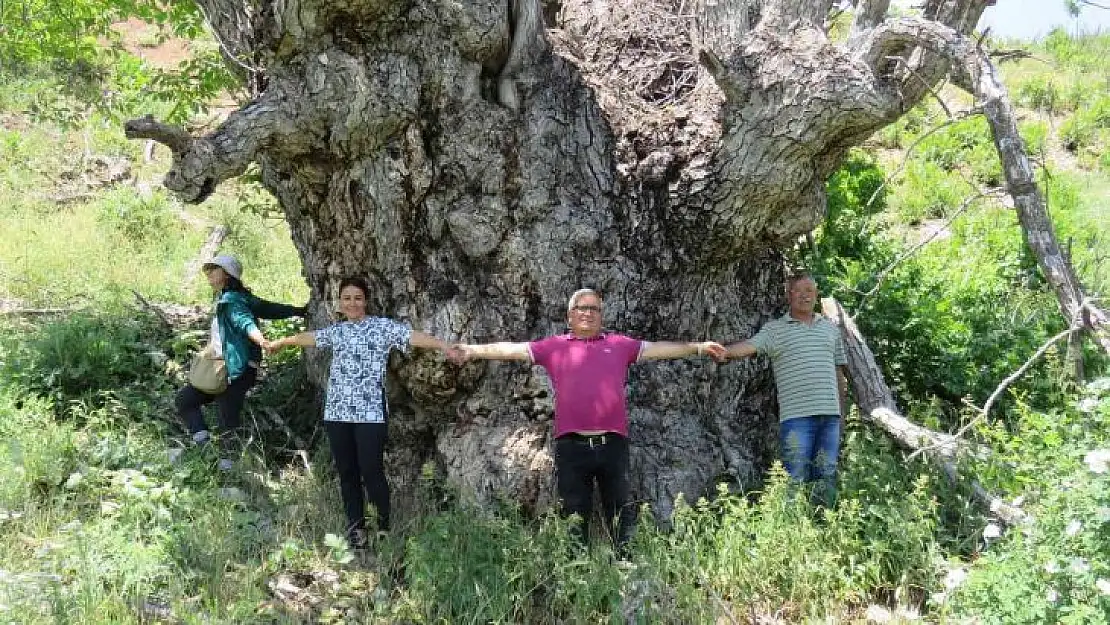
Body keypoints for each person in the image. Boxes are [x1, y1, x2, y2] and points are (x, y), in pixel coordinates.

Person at [456, 288, 725, 555]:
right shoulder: (554, 347)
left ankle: (628, 573)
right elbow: (512, 350)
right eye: (581, 308)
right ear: (570, 315)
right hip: (571, 446)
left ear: (601, 315)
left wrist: (698, 347)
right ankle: (578, 580)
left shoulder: (620, 345)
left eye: (594, 308)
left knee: (621, 515)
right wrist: (471, 350)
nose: (588, 313)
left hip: (613, 445)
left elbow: (658, 349)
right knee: (574, 518)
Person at [267, 277, 463, 548]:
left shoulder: (381, 327)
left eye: (357, 298)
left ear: (366, 301)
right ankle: (356, 529)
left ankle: (382, 528)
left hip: (370, 413)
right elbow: (311, 338)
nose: (352, 303)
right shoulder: (337, 331)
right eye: (346, 298)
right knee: (347, 472)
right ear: (339, 303)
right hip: (337, 413)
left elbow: (411, 337)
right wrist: (284, 341)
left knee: (372, 470)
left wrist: (443, 346)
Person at [720, 273, 849, 509]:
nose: (805, 295)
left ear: (816, 294)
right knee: (795, 477)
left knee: (827, 474)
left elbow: (839, 375)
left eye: (810, 290)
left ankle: (825, 527)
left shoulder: (830, 330)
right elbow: (750, 346)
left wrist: (841, 414)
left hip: (830, 416)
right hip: (796, 417)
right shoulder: (775, 330)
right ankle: (791, 528)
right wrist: (724, 352)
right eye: (799, 290)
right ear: (789, 295)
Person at [175, 255, 306, 470]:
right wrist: (297, 310)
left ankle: (228, 468)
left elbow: (244, 323)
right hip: (228, 367)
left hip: (235, 369)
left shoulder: (231, 301)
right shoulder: (240, 297)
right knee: (187, 401)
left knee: (226, 416)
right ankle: (205, 448)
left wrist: (262, 341)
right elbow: (269, 308)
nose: (209, 273)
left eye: (214, 269)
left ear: (226, 275)